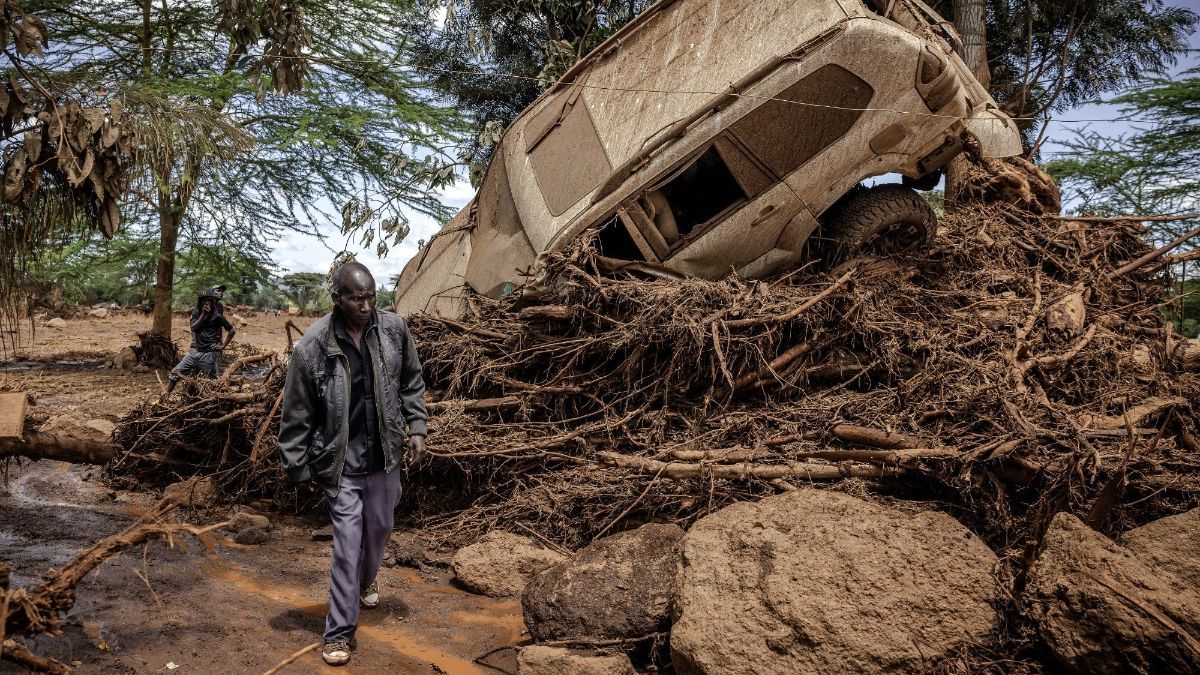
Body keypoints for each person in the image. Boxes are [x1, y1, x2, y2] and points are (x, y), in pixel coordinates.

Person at [277, 261, 428, 667]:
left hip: (385, 456)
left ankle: (365, 582)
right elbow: (296, 412)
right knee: (347, 545)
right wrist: (296, 463)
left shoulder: (394, 330)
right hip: (341, 463)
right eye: (357, 299)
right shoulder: (313, 345)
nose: (366, 306)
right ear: (337, 299)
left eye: (370, 297)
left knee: (380, 528)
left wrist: (416, 425)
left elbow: (411, 381)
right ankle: (339, 632)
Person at [166, 286, 236, 393]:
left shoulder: (217, 315)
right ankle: (165, 397)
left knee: (211, 383)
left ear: (212, 302)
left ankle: (214, 402)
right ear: (200, 302)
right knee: (175, 373)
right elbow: (193, 327)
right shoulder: (196, 312)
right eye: (204, 300)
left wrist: (222, 346)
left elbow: (232, 331)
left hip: (208, 354)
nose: (207, 303)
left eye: (209, 300)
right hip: (194, 352)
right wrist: (203, 315)